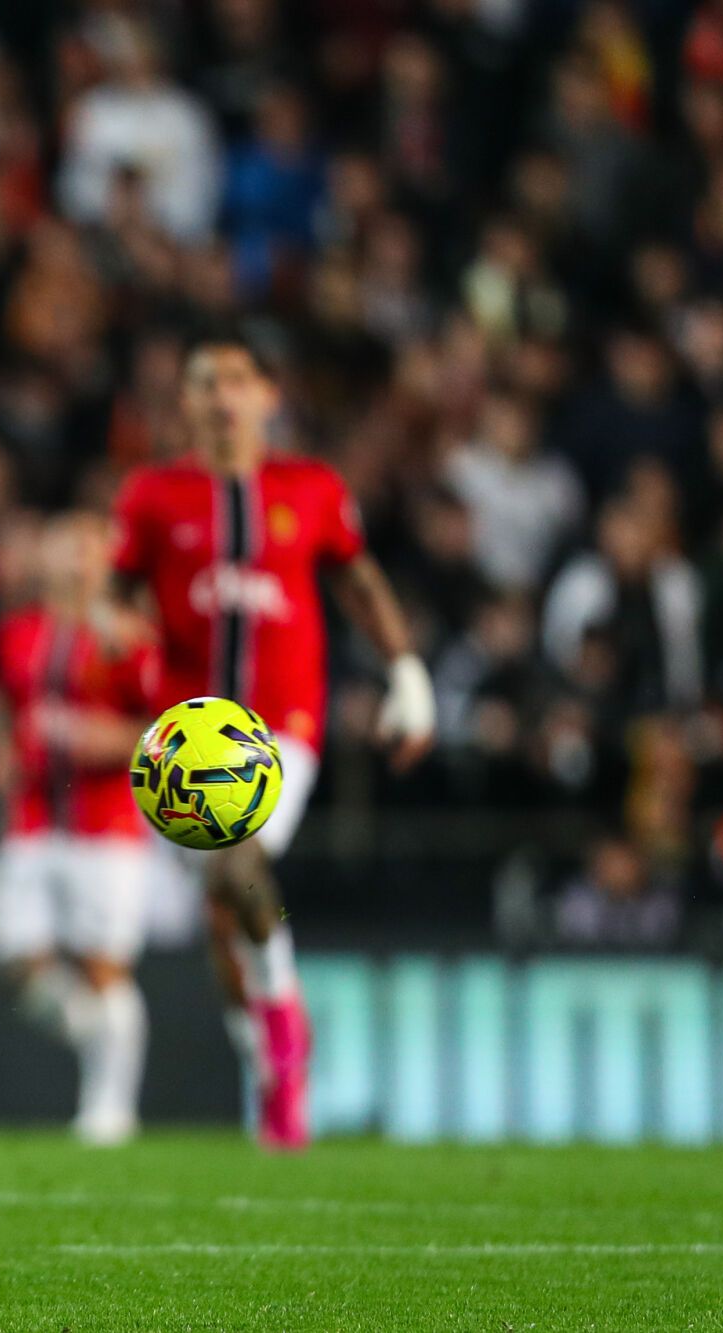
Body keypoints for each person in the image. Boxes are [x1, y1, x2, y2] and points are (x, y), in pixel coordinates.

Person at [113, 337, 435, 1149]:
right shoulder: (154, 494)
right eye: (203, 383)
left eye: (235, 381)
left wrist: (406, 671)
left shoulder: (312, 487)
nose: (221, 397)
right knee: (225, 911)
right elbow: (114, 598)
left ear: (268, 393)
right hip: (178, 741)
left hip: (278, 728)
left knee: (236, 859)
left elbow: (357, 578)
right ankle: (270, 1061)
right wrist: (112, 631)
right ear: (183, 401)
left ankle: (285, 1016)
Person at [0, 511, 161, 1145]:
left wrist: (109, 738)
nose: (77, 560)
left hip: (106, 824)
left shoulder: (129, 638)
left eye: (90, 548)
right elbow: (5, 708)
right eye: (66, 547)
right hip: (32, 818)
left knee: (105, 964)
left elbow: (167, 733)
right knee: (11, 950)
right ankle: (95, 1031)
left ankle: (111, 1111)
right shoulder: (17, 632)